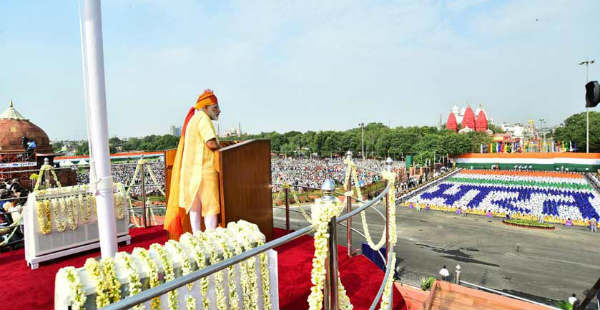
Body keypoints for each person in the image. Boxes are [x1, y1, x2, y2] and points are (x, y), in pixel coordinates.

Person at [164, 89, 222, 240]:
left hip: (190, 173)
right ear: (205, 108)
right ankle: (211, 240)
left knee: (194, 207)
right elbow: (210, 143)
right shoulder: (203, 119)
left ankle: (196, 239)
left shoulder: (193, 120)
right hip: (204, 171)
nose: (219, 111)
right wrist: (223, 148)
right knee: (210, 207)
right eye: (215, 107)